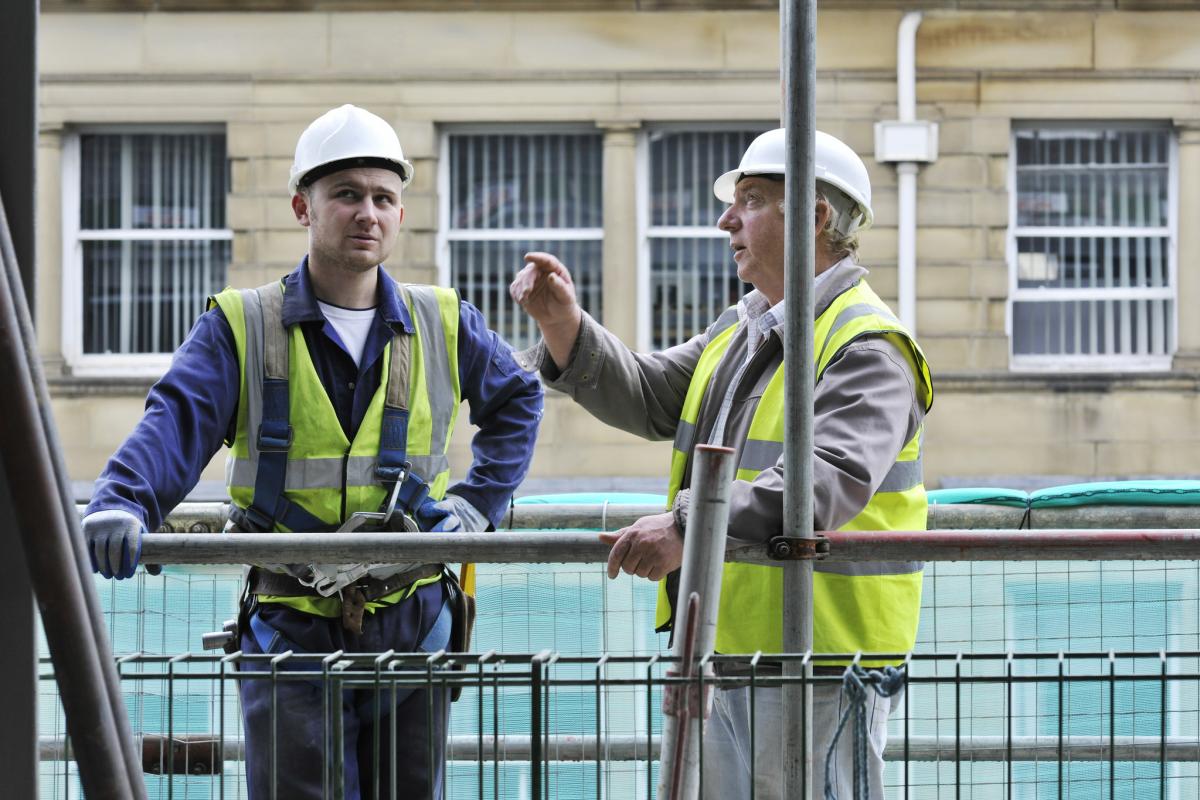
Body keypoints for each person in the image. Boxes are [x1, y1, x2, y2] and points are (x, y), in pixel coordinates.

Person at [82, 104, 543, 799]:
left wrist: (477, 506)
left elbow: (519, 400)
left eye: (383, 198)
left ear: (401, 214)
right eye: (347, 194)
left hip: (412, 619)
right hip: (290, 627)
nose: (367, 213)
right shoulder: (243, 325)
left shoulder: (443, 320)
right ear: (304, 206)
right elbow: (175, 422)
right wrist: (121, 501)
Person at [510, 128, 933, 799]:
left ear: (814, 216)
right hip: (724, 651)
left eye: (751, 199)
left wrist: (688, 525)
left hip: (820, 662)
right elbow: (651, 393)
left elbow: (826, 479)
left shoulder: (867, 344)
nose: (726, 219)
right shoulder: (746, 328)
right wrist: (563, 325)